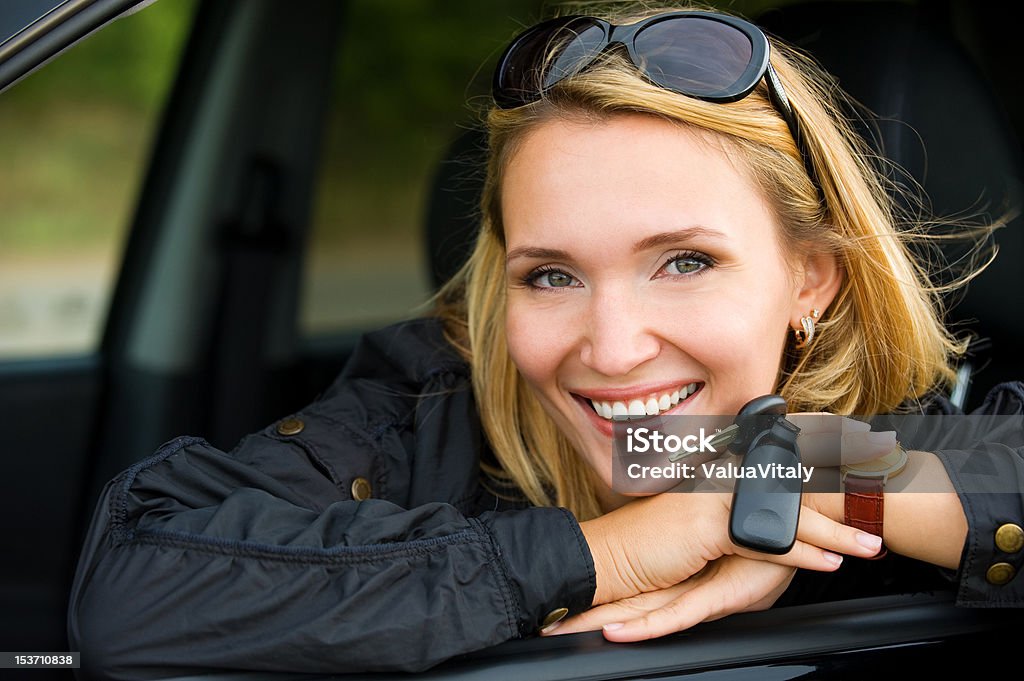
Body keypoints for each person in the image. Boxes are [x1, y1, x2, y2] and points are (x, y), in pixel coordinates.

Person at [68, 3, 1023, 679]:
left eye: (684, 261)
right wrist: (610, 550)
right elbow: (138, 585)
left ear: (811, 278)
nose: (610, 349)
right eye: (552, 275)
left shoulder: (914, 432)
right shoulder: (431, 399)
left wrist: (799, 469)